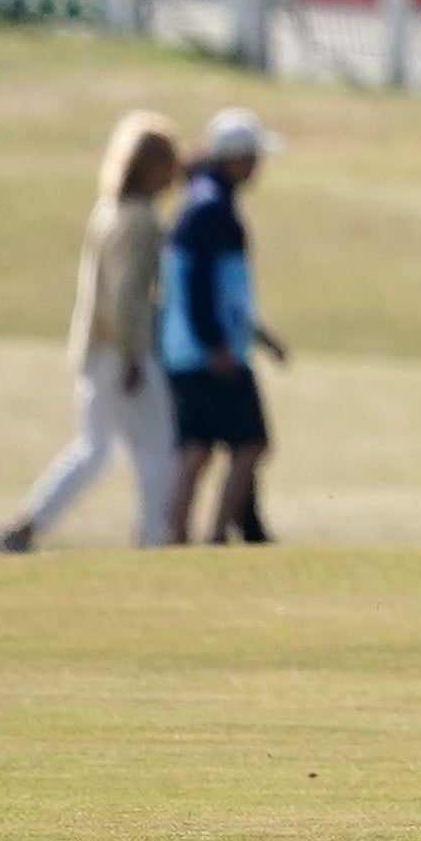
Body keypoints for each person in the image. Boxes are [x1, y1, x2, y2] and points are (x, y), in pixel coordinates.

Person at [0, 112, 185, 554]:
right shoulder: (140, 220)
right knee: (158, 449)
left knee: (95, 449)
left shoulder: (110, 211)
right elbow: (126, 297)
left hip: (94, 349)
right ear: (152, 169)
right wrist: (134, 357)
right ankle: (154, 538)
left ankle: (29, 524)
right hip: (123, 351)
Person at [160, 108, 286, 546]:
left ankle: (175, 539)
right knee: (249, 445)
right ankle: (214, 539)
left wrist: (261, 338)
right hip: (209, 352)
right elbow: (199, 286)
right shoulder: (212, 209)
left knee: (196, 447)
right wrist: (216, 344)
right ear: (238, 159)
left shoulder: (203, 201)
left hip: (183, 350)